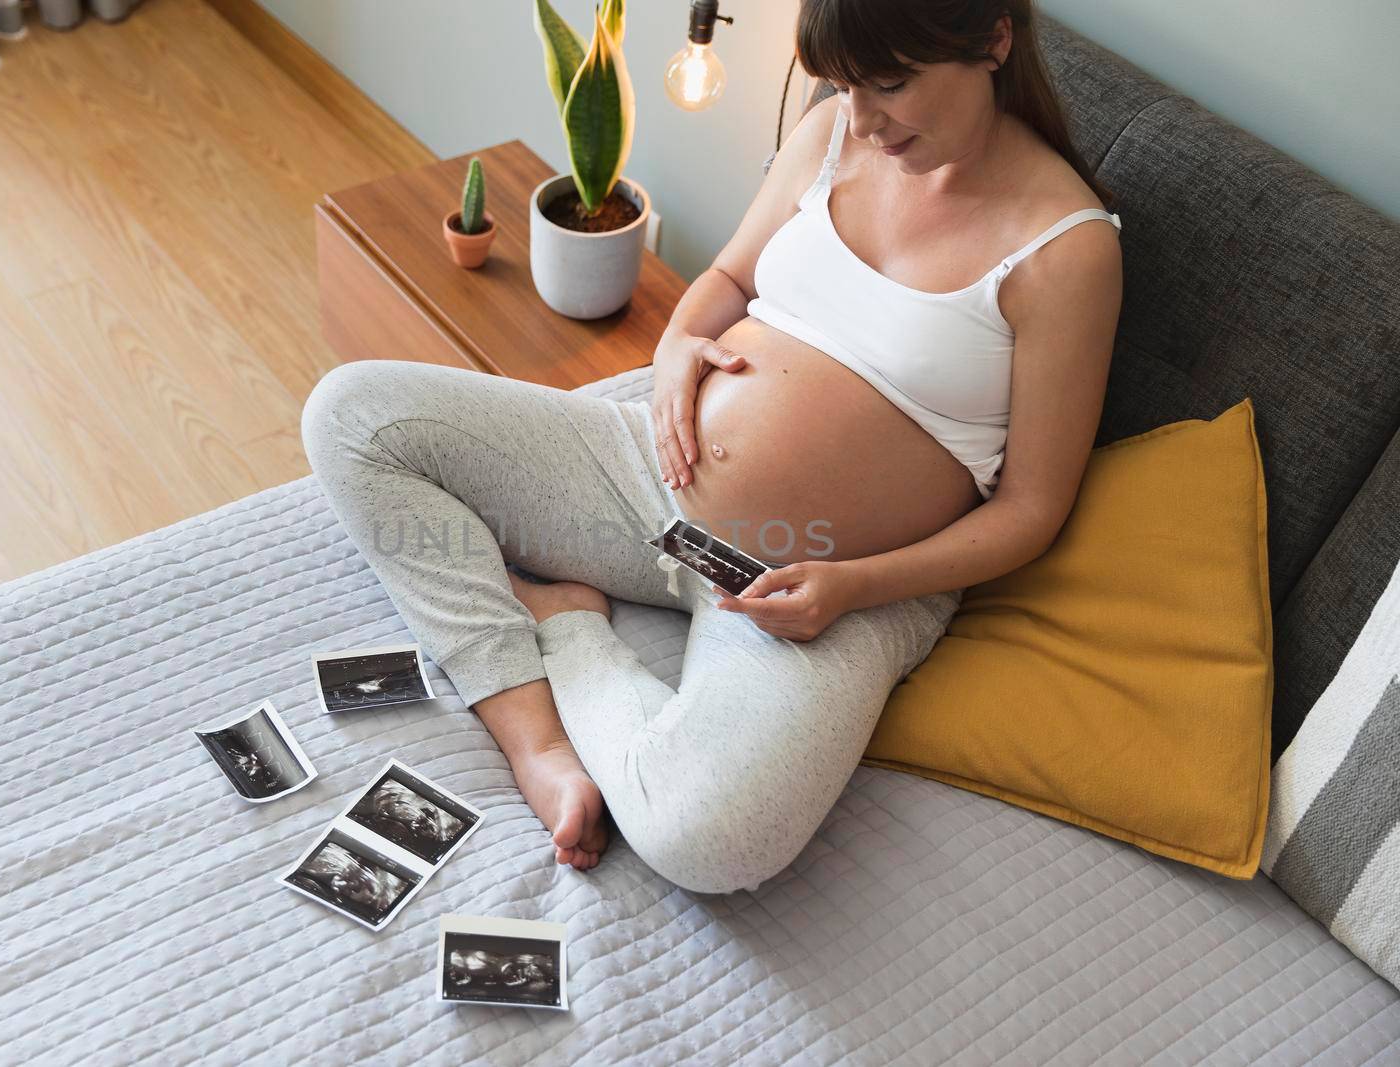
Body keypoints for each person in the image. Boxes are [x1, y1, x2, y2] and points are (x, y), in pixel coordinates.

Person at [300, 0, 1123, 894]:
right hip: (646, 476)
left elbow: (1032, 510)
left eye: (890, 86)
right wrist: (674, 352)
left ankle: (570, 626)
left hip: (830, 587)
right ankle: (533, 736)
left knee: (707, 838)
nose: (862, 120)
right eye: (843, 87)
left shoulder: (1065, 251)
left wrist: (853, 586)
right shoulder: (832, 135)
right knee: (353, 416)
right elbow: (728, 278)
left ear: (995, 38)